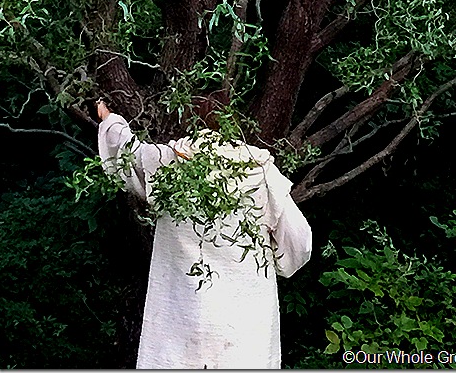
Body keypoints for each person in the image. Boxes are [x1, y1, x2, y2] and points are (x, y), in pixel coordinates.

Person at [96, 99, 312, 369]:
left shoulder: (167, 165)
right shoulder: (259, 172)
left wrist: (110, 119)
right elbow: (299, 241)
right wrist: (279, 262)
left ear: (191, 124)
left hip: (179, 326)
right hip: (245, 330)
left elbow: (127, 153)